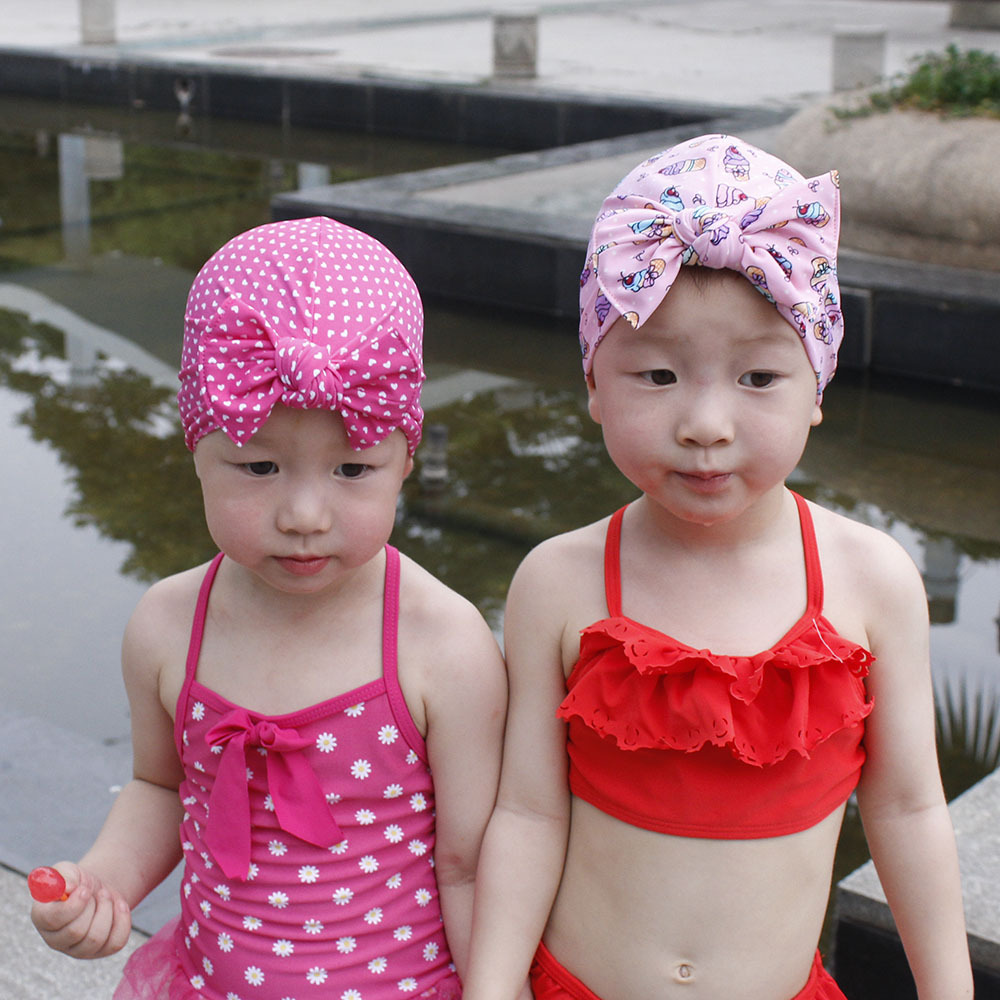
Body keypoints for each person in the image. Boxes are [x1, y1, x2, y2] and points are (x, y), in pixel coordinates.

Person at [463, 135, 973, 1000]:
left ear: (817, 385)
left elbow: (908, 809)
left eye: (758, 376)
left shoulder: (871, 579)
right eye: (657, 373)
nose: (705, 422)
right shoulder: (559, 578)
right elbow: (528, 811)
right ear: (593, 381)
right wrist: (490, 987)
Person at [30, 216, 507, 999]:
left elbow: (464, 862)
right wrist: (103, 885)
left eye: (353, 469)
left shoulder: (440, 642)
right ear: (195, 448)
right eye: (258, 466)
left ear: (406, 460)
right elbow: (160, 787)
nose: (305, 515)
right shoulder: (168, 626)